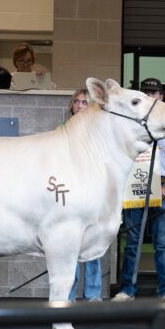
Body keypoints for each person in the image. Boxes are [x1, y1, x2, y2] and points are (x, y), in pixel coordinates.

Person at [112, 78, 165, 301]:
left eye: (155, 93)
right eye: (147, 93)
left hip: (160, 187)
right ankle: (128, 289)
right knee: (132, 242)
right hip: (136, 186)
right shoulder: (133, 123)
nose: (151, 96)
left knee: (161, 244)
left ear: (161, 96)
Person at [64, 89, 102, 302]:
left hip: (92, 195)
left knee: (93, 248)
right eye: (77, 102)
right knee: (69, 250)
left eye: (85, 103)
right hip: (68, 196)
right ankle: (68, 296)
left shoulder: (98, 134)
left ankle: (93, 296)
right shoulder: (61, 130)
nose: (80, 106)